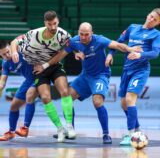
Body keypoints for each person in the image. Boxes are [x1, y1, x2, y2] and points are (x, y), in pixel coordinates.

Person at [33, 22, 141, 144]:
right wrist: (45, 65)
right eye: (81, 34)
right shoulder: (75, 41)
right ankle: (70, 130)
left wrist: (130, 49)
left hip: (100, 75)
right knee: (67, 97)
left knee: (97, 101)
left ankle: (106, 134)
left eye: (86, 35)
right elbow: (61, 54)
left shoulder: (99, 40)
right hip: (85, 76)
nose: (83, 37)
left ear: (92, 33)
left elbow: (116, 45)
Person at [11, 10, 76, 142]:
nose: (53, 27)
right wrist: (13, 52)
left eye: (55, 23)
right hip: (38, 70)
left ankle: (69, 126)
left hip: (54, 66)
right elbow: (14, 42)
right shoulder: (34, 34)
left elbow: (73, 44)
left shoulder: (63, 34)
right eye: (50, 24)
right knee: (45, 97)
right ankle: (60, 128)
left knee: (65, 91)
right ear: (45, 23)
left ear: (58, 21)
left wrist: (77, 52)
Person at [106, 8, 160, 145]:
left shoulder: (156, 34)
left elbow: (155, 53)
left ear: (158, 23)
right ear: (148, 14)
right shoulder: (132, 28)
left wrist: (140, 54)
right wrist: (110, 54)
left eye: (155, 20)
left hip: (140, 70)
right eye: (151, 16)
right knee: (124, 103)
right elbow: (117, 42)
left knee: (130, 98)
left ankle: (131, 135)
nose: (152, 19)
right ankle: (137, 129)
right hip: (126, 69)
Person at [0, 40, 37, 141]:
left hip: (40, 76)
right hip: (29, 80)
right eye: (3, 54)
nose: (7, 55)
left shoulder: (21, 51)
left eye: (8, 51)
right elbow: (3, 81)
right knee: (13, 106)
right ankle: (11, 132)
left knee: (29, 96)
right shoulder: (6, 64)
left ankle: (25, 128)